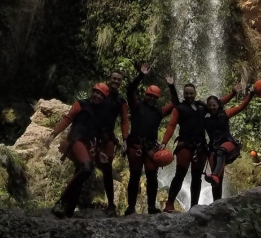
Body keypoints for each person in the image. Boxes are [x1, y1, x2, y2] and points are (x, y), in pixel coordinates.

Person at [161, 82, 236, 212]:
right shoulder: (180, 108)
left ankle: (193, 207)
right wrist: (164, 142)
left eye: (191, 93)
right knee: (180, 174)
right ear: (183, 94)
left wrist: (233, 93)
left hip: (200, 146)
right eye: (186, 93)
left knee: (196, 177)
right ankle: (170, 203)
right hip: (185, 144)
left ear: (195, 94)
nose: (189, 95)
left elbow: (219, 102)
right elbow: (171, 126)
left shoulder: (202, 107)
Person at [43, 83, 109, 218]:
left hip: (89, 144)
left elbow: (99, 134)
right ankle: (62, 201)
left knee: (80, 172)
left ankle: (69, 211)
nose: (97, 96)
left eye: (100, 95)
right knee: (86, 168)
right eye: (96, 92)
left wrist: (99, 152)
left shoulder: (102, 113)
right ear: (92, 92)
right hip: (76, 139)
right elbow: (67, 119)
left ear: (104, 98)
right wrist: (53, 134)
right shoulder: (81, 104)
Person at [124, 64, 174, 215]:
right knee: (134, 175)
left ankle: (151, 206)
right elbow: (130, 91)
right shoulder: (136, 107)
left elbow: (175, 104)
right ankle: (131, 206)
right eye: (149, 95)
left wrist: (171, 87)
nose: (151, 98)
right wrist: (141, 75)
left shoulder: (159, 112)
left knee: (152, 175)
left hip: (151, 146)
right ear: (145, 95)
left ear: (157, 99)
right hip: (136, 144)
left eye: (154, 97)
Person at [203, 84, 254, 200]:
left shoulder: (225, 114)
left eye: (214, 105)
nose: (212, 107)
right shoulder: (205, 119)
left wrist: (250, 94)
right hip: (213, 146)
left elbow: (241, 107)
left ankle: (215, 175)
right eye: (210, 106)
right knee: (217, 180)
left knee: (221, 152)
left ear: (218, 105)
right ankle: (216, 202)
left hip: (228, 142)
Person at [96, 69, 129, 216]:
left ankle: (111, 205)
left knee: (108, 170)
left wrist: (125, 139)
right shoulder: (101, 93)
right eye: (114, 79)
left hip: (108, 137)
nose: (116, 81)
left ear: (121, 82)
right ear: (109, 79)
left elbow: (124, 121)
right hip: (93, 133)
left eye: (119, 80)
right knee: (84, 165)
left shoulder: (121, 101)